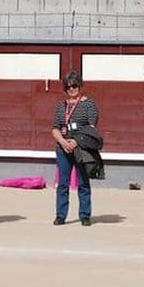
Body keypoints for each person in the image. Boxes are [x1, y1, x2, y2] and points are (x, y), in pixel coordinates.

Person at [50, 71, 99, 226]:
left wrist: (76, 142)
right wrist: (63, 142)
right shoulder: (61, 106)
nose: (72, 89)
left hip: (82, 148)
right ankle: (60, 215)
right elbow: (55, 128)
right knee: (62, 184)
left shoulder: (88, 104)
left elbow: (91, 127)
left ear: (80, 86)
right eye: (69, 86)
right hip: (63, 148)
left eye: (75, 86)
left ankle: (85, 215)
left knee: (83, 182)